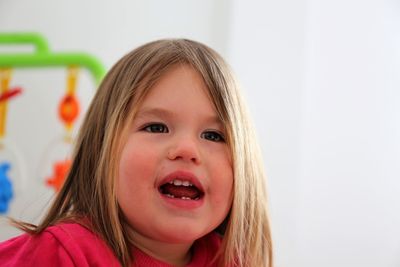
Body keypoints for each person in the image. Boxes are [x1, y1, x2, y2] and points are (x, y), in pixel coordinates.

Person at [0, 39, 273, 267]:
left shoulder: (232, 262)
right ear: (101, 152)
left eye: (213, 136)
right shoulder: (59, 255)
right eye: (156, 127)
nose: (187, 150)